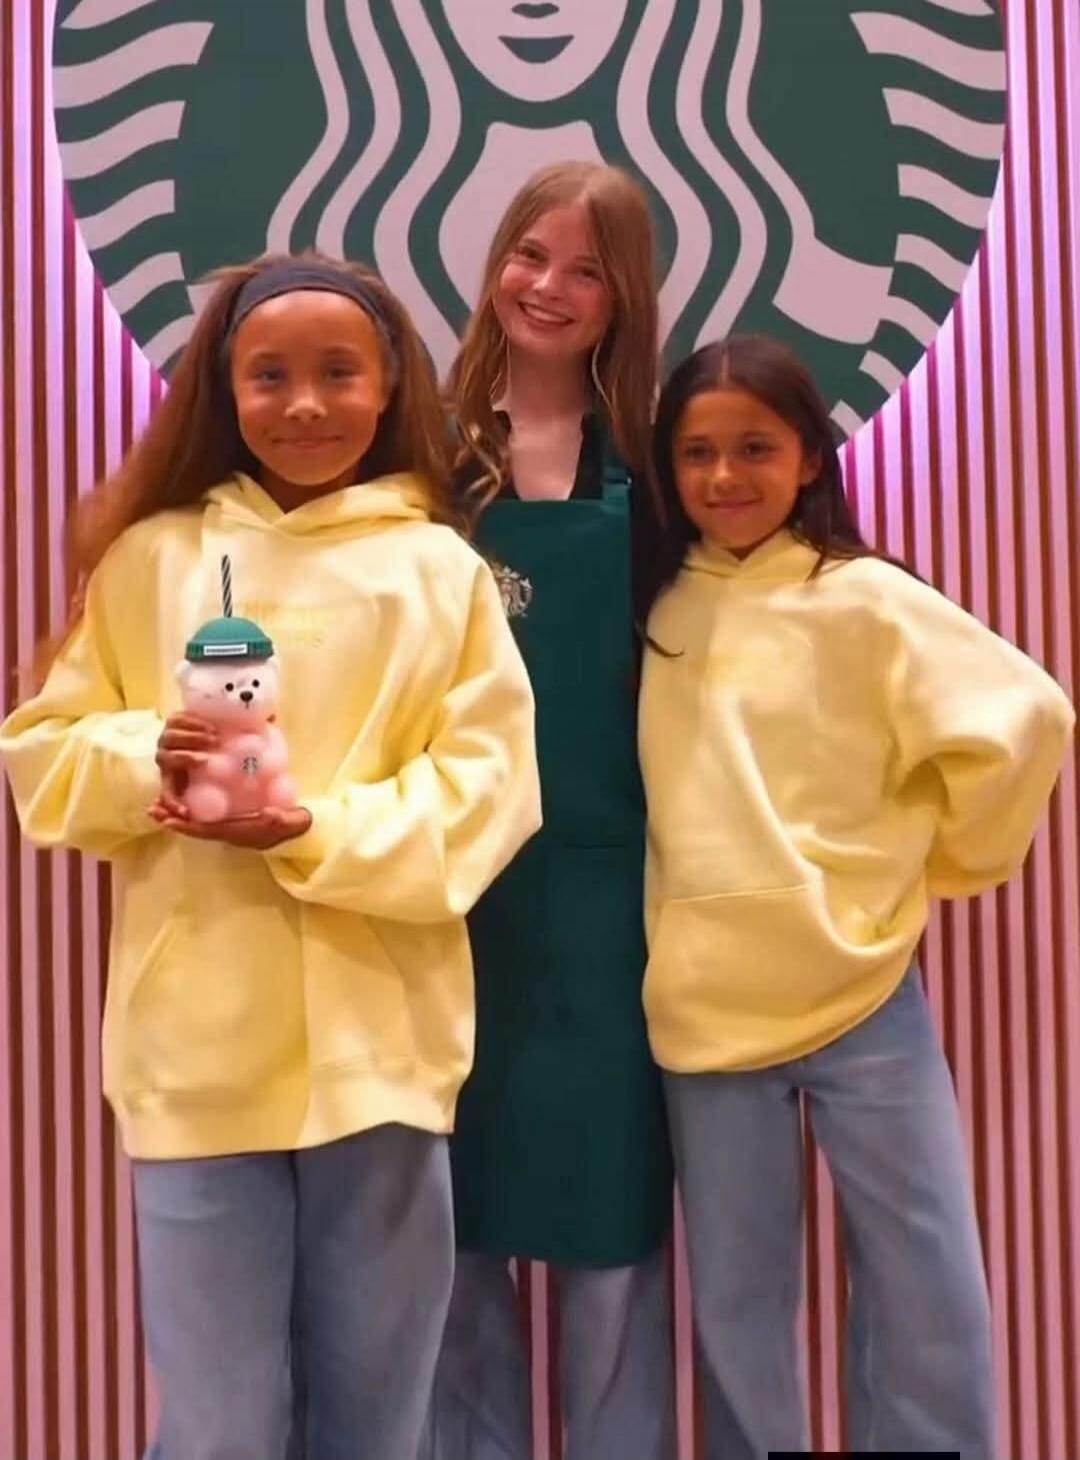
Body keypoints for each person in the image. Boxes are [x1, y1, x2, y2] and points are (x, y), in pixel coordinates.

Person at [0, 254, 541, 1460]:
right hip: (195, 1054)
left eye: (338, 373)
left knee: (379, 1416)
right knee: (219, 1422)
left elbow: (491, 791)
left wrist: (314, 831)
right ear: (224, 390)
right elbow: (41, 753)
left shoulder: (439, 570)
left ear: (390, 383)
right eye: (270, 376)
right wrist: (156, 754)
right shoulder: (154, 558)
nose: (306, 405)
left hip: (385, 1049)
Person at [638, 332, 1075, 1460]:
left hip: (865, 988)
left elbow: (1025, 717)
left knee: (923, 1267)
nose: (725, 476)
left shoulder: (869, 598)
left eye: (754, 447)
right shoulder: (652, 611)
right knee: (738, 1294)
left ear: (812, 459)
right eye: (696, 453)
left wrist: (940, 864)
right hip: (704, 1006)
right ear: (666, 468)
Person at [426, 162, 675, 1460]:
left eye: (588, 270)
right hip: (441, 897)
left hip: (605, 910)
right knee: (447, 1237)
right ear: (495, 265)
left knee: (610, 1236)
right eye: (534, 254)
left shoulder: (658, 472)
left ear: (624, 299)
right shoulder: (421, 456)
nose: (552, 288)